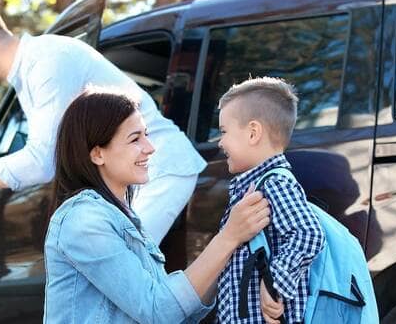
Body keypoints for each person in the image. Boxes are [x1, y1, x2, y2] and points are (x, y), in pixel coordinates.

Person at [0, 0, 205, 245]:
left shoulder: (47, 62)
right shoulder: (30, 70)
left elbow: (41, 162)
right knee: (112, 277)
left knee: (121, 271)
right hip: (133, 178)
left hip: (159, 169)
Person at [44, 89, 270, 323]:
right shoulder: (83, 220)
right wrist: (228, 237)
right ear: (98, 154)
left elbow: (178, 309)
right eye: (135, 139)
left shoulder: (122, 216)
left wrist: (237, 245)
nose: (150, 147)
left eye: (146, 135)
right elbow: (158, 311)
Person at [214, 77, 325, 324]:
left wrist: (275, 283)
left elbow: (308, 233)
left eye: (224, 131)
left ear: (253, 133)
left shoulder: (275, 183)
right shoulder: (255, 185)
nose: (220, 142)